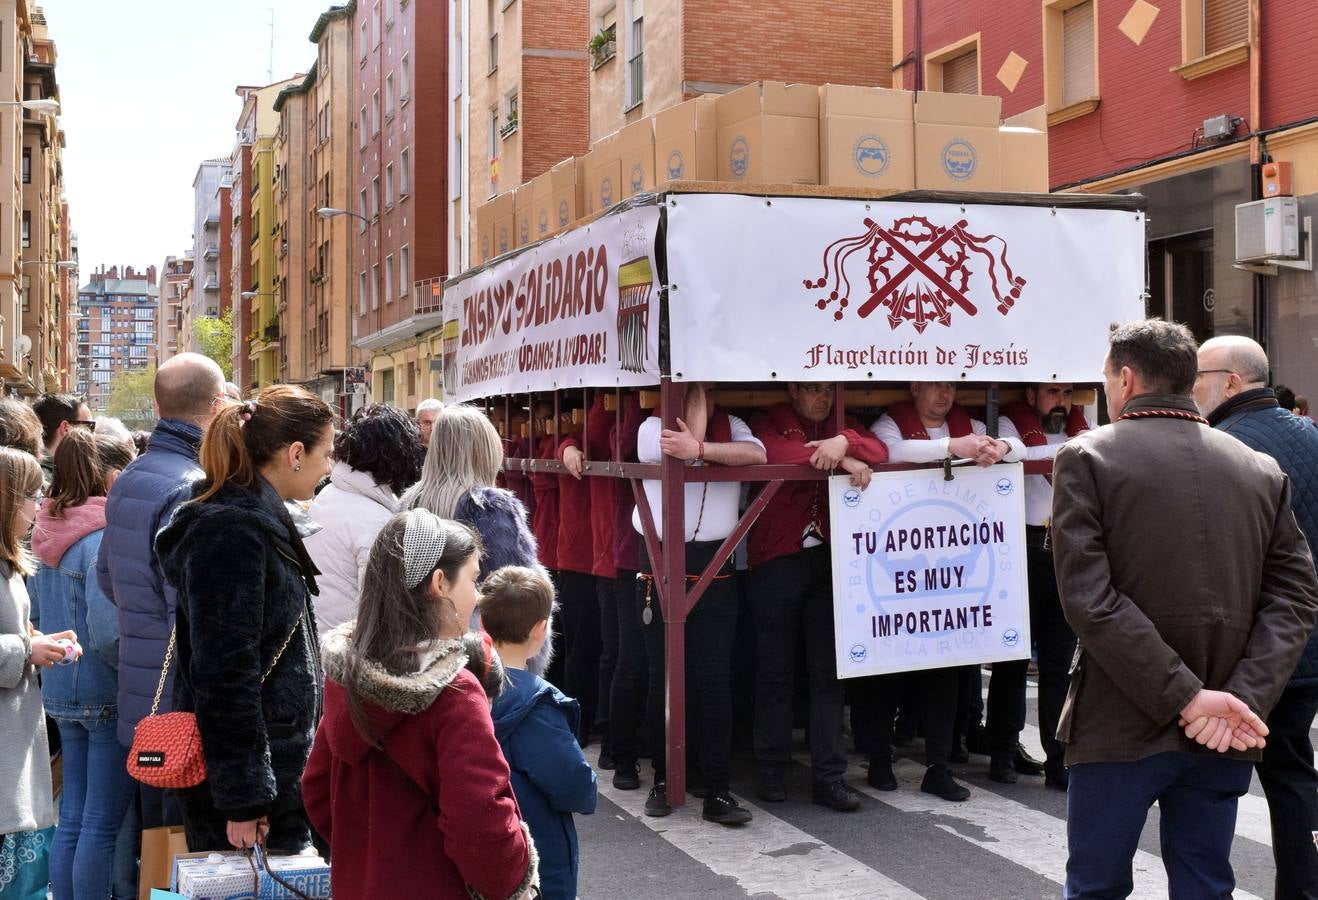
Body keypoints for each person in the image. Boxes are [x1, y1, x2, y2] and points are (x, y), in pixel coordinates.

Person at [1052, 319, 1318, 898]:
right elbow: (1295, 596)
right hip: (1223, 724)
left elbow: (1089, 599)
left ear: (1126, 379)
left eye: (1106, 380)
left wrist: (1188, 696)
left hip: (1120, 719)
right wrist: (1240, 698)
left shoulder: (1087, 456)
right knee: (1204, 883)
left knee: (1096, 884)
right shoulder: (1258, 468)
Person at [303, 511, 540, 900]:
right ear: (439, 583)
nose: (477, 595)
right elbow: (479, 820)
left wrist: (368, 852)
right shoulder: (454, 692)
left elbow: (316, 788)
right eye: (473, 578)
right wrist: (514, 881)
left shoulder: (347, 674)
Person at [154, 385, 335, 854]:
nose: (330, 467)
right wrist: (244, 800)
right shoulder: (232, 528)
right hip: (254, 791)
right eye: (327, 454)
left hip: (273, 772)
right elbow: (223, 673)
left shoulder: (251, 517)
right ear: (296, 454)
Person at [1194, 335, 1318, 897]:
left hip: (1248, 650)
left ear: (1232, 383)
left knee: (1214, 777)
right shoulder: (1312, 436)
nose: (1191, 388)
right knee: (1293, 774)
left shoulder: (1217, 449)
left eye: (1199, 376)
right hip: (1307, 639)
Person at [865, 383, 1027, 802]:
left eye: (950, 386)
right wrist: (954, 446)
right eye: (934, 386)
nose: (944, 395)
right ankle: (880, 759)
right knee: (888, 666)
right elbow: (892, 452)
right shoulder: (891, 422)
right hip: (897, 563)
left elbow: (1018, 446)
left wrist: (1001, 449)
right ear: (915, 389)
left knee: (944, 666)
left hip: (947, 566)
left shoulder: (969, 426)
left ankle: (937, 766)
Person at [97, 352, 226, 833]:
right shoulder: (193, 485)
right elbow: (191, 605)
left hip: (143, 695)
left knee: (155, 843)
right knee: (183, 847)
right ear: (216, 406)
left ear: (156, 406)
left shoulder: (131, 476)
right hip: (181, 703)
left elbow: (108, 576)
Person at [747, 382, 887, 811]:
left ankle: (830, 776)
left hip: (829, 560)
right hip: (776, 560)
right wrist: (837, 457)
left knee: (828, 674)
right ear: (792, 389)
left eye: (828, 389)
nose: (822, 397)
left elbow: (879, 450)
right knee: (775, 672)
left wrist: (844, 440)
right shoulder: (768, 415)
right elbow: (770, 452)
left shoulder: (840, 422)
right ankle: (770, 769)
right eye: (813, 389)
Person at [633, 382, 766, 825]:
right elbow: (677, 451)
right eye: (695, 382)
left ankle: (718, 789)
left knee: (713, 682)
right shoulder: (650, 427)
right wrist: (695, 424)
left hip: (716, 565)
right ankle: (662, 778)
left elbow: (758, 455)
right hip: (661, 561)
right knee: (664, 681)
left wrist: (704, 445)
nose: (702, 390)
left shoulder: (736, 427)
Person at [28, 430, 136, 899]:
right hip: (101, 688)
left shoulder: (40, 533)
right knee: (101, 822)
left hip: (58, 687)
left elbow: (32, 616)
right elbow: (109, 631)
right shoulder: (99, 538)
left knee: (71, 812)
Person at [989, 384, 1091, 789]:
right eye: (1052, 392)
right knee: (1011, 659)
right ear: (1030, 396)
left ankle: (1058, 758)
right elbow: (1013, 450)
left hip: (1064, 551)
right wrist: (1076, 449)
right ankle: (1001, 751)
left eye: (1067, 392)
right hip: (1023, 549)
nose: (1061, 401)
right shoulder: (1012, 421)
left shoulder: (1083, 427)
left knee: (1058, 665)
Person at [403, 404, 550, 674]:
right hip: (484, 658)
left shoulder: (409, 503)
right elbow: (518, 591)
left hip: (418, 648)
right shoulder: (489, 507)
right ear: (484, 451)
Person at [483, 565, 598, 900]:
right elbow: (575, 786)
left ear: (483, 621)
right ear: (541, 629)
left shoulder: (463, 686)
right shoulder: (538, 705)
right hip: (534, 855)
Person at [0, 447, 62, 894]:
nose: (39, 505)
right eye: (33, 496)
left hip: (16, 740)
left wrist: (39, 641)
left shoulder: (9, 561)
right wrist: (26, 648)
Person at [306, 404, 424, 637]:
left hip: (323, 641)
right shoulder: (375, 521)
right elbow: (383, 616)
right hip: (346, 656)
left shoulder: (331, 495)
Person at [560, 392, 621, 764]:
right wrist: (567, 446)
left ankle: (603, 723)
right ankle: (582, 723)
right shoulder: (603, 403)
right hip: (585, 553)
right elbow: (579, 439)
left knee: (611, 651)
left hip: (610, 550)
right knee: (586, 646)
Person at [32, 393, 94, 484]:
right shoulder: (47, 481)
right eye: (89, 426)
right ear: (65, 428)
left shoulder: (30, 469)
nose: (93, 434)